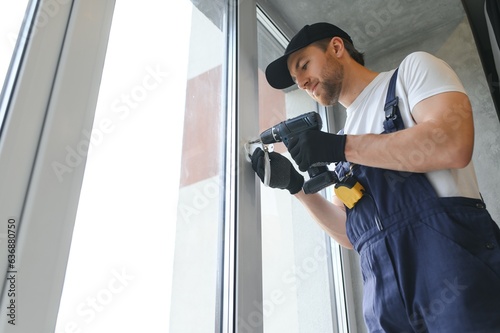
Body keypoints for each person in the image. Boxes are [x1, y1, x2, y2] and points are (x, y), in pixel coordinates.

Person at [251, 22, 500, 332]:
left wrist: (340, 147)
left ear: (337, 48)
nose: (301, 82)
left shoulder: (411, 74)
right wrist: (297, 188)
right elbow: (352, 235)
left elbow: (452, 143)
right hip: (385, 305)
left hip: (455, 281)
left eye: (304, 65)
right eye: (294, 78)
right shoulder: (342, 142)